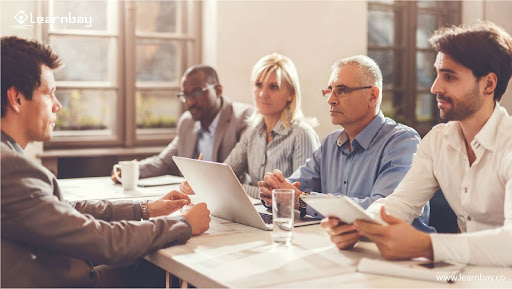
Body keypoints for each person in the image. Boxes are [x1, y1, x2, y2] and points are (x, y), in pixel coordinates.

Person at [1, 36, 211, 287]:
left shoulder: (9, 159)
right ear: (17, 98)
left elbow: (67, 211)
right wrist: (183, 223)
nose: (57, 106)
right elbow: (102, 241)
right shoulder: (9, 167)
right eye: (50, 93)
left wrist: (146, 208)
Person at [321, 21, 512, 266]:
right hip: (467, 276)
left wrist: (427, 245)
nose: (435, 87)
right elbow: (401, 202)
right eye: (437, 74)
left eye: (450, 77)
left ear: (488, 84)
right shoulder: (437, 142)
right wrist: (359, 225)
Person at [259, 55, 434, 232]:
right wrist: (274, 188)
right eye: (329, 90)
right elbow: (293, 188)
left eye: (341, 90)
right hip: (342, 246)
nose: (331, 100)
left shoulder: (402, 142)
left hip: (398, 254)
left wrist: (302, 200)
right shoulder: (330, 143)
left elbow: (382, 210)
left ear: (372, 96)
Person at [182, 53, 320, 198]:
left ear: (291, 94)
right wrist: (198, 182)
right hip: (259, 213)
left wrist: (238, 188)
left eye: (273, 87)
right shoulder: (253, 132)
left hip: (291, 219)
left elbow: (299, 198)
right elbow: (224, 176)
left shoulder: (302, 135)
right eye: (258, 85)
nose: (262, 94)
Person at [113, 65, 254, 182]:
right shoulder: (187, 122)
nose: (190, 102)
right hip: (191, 200)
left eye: (197, 92)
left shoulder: (242, 117)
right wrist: (130, 172)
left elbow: (236, 173)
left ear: (218, 90)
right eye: (185, 95)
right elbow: (165, 162)